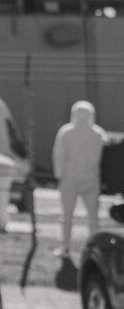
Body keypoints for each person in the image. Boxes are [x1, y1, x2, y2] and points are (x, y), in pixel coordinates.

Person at [52, 100, 107, 257]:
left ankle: (67, 246)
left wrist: (59, 174)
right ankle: (91, 247)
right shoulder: (98, 133)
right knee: (91, 216)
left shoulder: (67, 132)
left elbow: (59, 154)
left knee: (69, 215)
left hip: (74, 179)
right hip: (87, 179)